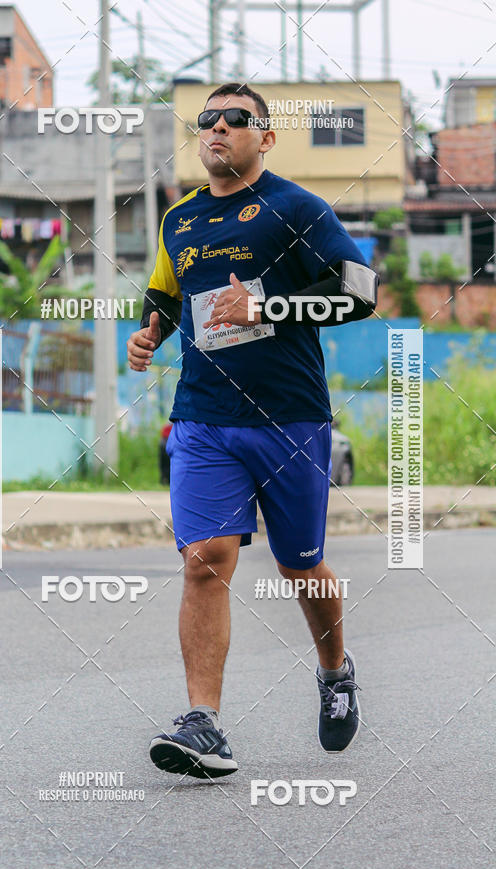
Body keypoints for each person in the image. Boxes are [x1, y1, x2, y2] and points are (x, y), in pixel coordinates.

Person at [127, 83, 379, 779]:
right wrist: (147, 332)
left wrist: (267, 301)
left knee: (301, 566)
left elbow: (361, 291)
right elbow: (163, 293)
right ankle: (203, 724)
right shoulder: (177, 220)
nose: (218, 128)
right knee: (204, 557)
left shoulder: (297, 209)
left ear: (265, 138)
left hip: (290, 417)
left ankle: (335, 670)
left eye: (238, 119)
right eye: (207, 119)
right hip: (205, 417)